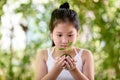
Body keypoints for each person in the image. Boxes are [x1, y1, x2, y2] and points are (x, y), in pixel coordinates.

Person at [35, 2, 94, 80]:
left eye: (70, 35)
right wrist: (56, 70)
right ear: (51, 34)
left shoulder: (85, 55)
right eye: (59, 35)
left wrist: (74, 70)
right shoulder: (43, 55)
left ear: (77, 34)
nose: (65, 41)